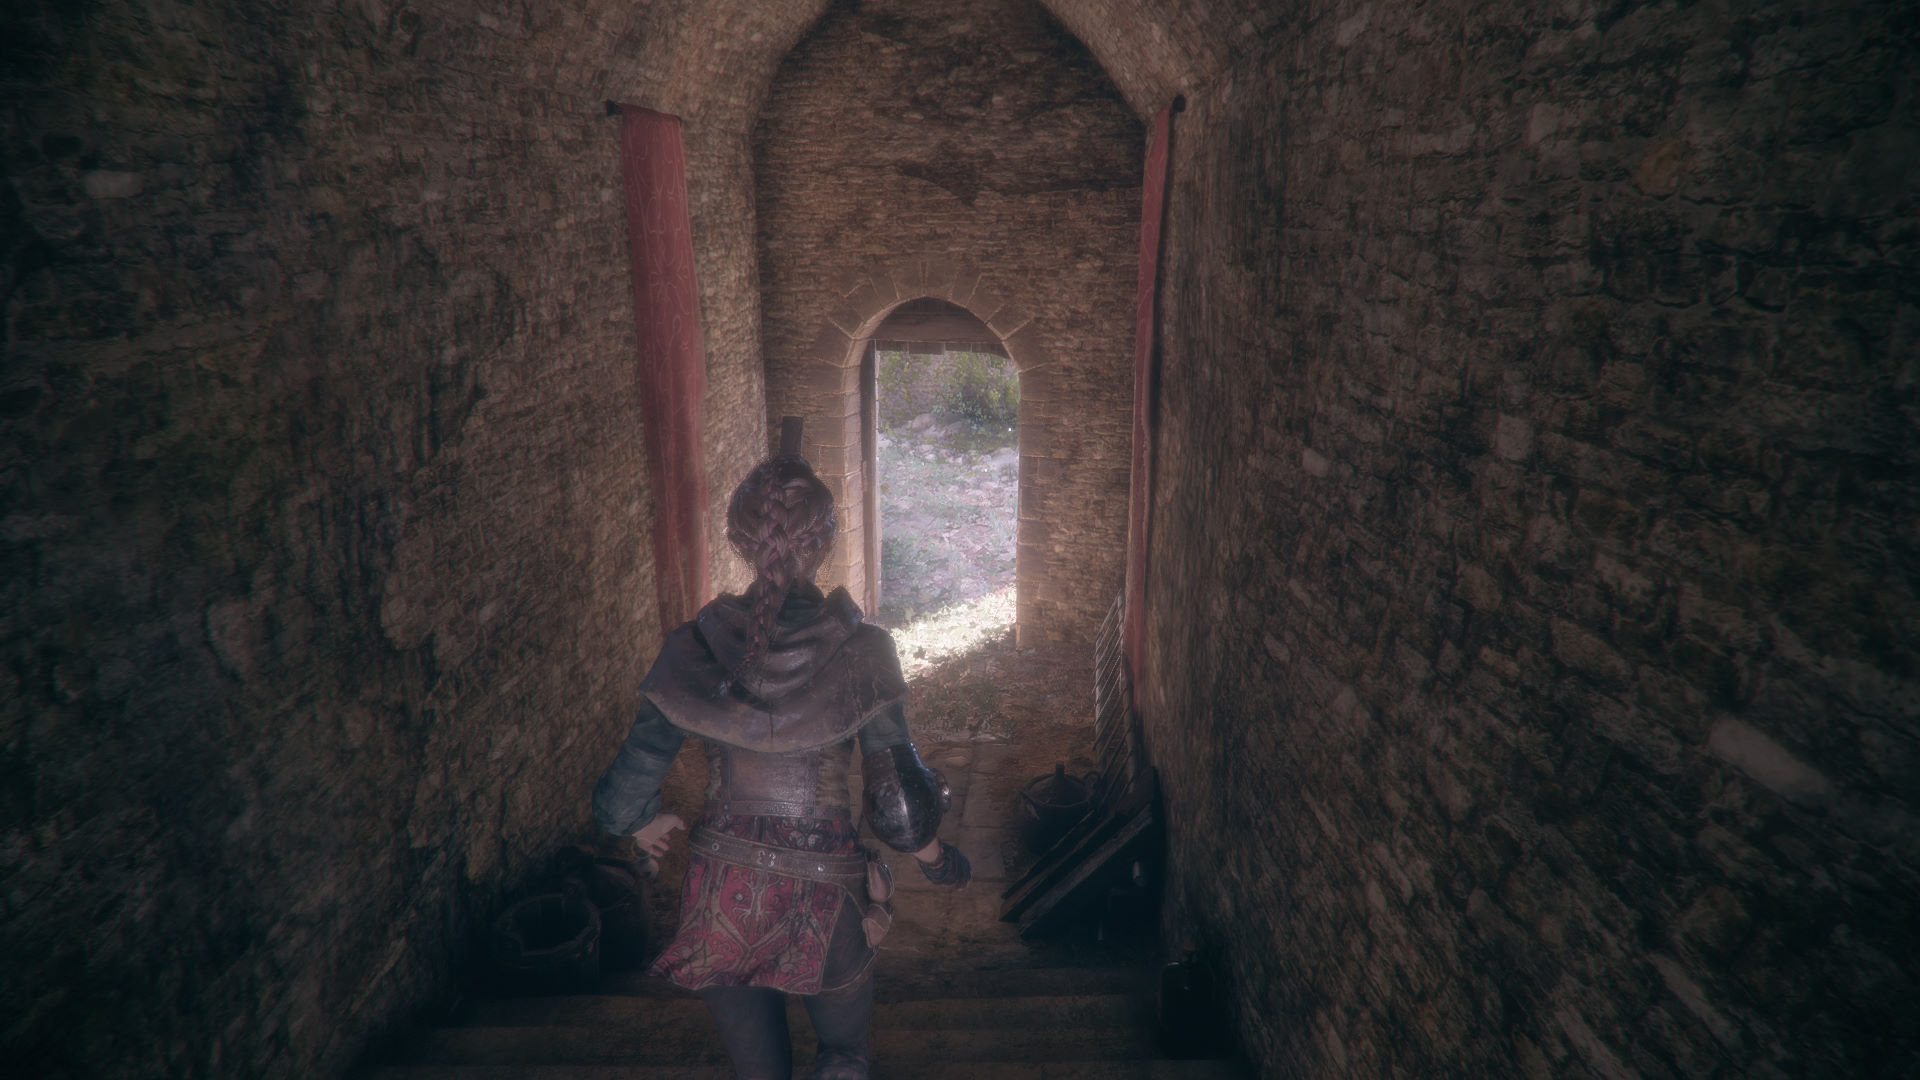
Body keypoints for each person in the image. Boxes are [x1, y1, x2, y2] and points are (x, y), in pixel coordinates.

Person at [592, 454, 971, 1080]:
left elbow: (617, 803)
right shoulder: (864, 650)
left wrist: (641, 823)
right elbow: (900, 810)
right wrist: (938, 861)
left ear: (739, 541)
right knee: (843, 1058)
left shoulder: (691, 645)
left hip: (721, 894)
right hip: (825, 892)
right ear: (824, 542)